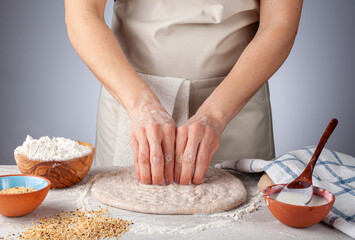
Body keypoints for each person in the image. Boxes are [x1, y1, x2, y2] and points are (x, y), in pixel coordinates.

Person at [65, 0, 303, 186]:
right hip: (132, 103)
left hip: (236, 106)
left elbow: (279, 24)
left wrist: (216, 115)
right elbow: (82, 14)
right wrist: (140, 106)